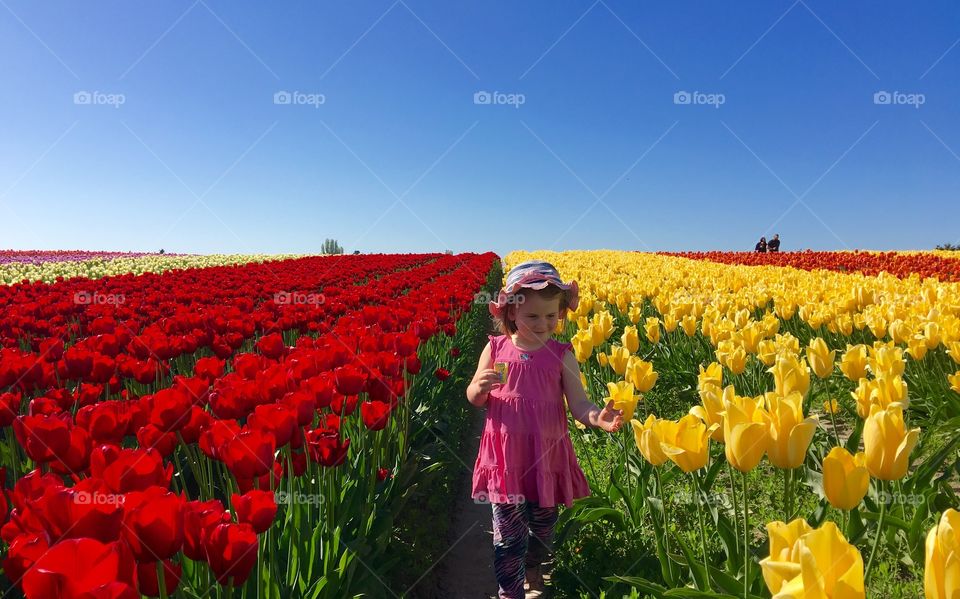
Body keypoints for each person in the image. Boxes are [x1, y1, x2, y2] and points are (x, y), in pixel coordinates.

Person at [467, 260, 623, 599]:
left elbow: (579, 404)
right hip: (506, 460)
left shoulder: (562, 355)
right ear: (510, 313)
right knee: (508, 534)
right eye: (533, 317)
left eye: (551, 316)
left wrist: (598, 417)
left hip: (546, 458)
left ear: (561, 314)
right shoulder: (495, 348)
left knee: (542, 526)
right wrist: (479, 387)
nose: (543, 324)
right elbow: (475, 397)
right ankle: (510, 590)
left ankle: (534, 566)